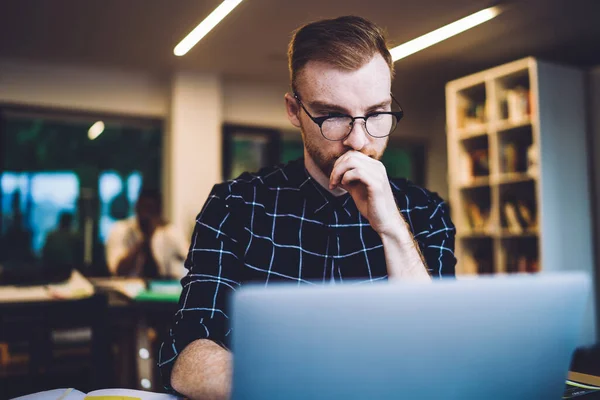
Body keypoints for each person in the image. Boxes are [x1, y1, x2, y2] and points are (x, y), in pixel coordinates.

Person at [160, 16, 457, 399]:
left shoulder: (425, 212)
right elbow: (186, 355)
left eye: (377, 113)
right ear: (293, 110)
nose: (358, 139)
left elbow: (441, 354)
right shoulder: (235, 205)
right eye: (333, 115)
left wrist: (393, 230)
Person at [105, 188, 188, 279]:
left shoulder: (170, 232)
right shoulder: (121, 230)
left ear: (159, 212)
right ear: (136, 208)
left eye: (151, 210)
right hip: (128, 288)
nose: (146, 215)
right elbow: (117, 271)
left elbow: (193, 261)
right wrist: (143, 242)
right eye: (143, 209)